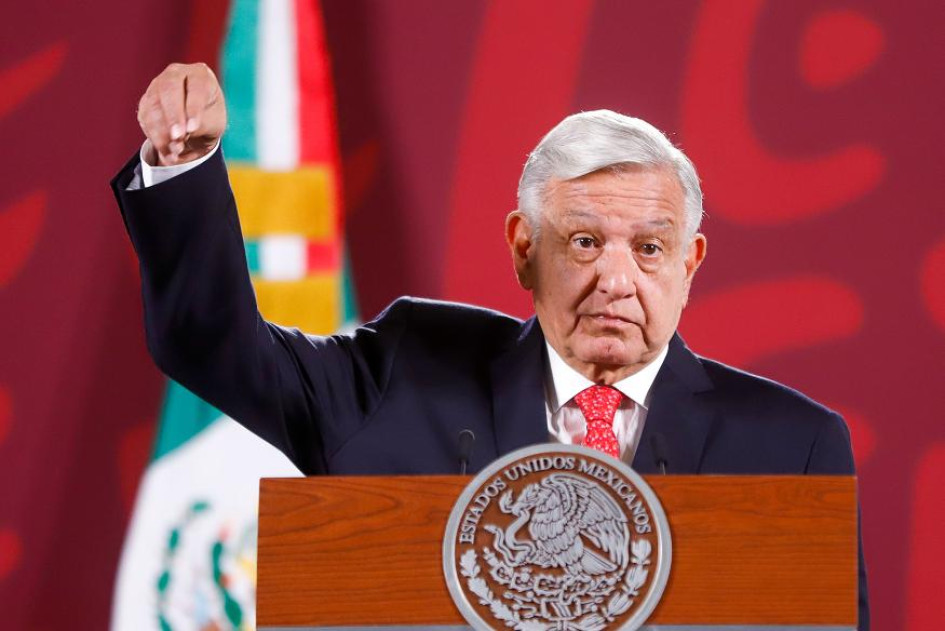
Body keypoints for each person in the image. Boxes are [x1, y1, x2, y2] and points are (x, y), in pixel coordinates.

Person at [113, 63, 868, 627]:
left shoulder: (792, 444)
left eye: (647, 248)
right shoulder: (404, 374)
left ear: (689, 263)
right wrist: (184, 166)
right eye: (582, 240)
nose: (615, 278)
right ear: (522, 248)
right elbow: (208, 344)